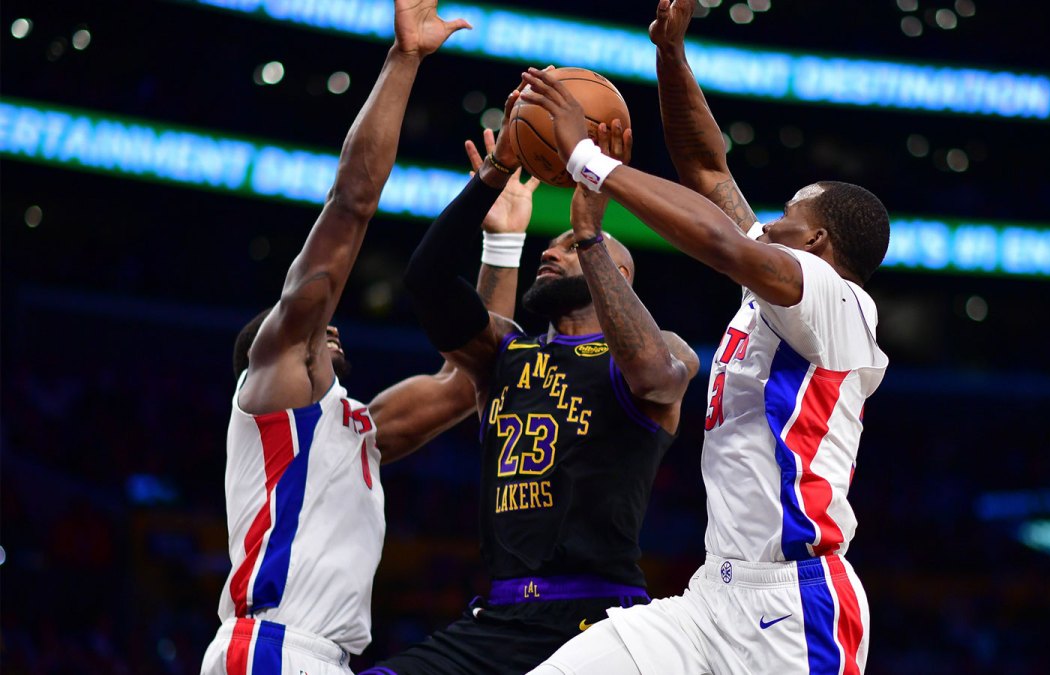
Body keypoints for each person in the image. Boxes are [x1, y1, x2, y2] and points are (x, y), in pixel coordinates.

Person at [519, 0, 892, 671]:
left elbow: (723, 241)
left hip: (795, 607)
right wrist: (670, 55)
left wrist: (584, 157)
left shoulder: (842, 305)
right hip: (709, 596)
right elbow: (707, 171)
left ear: (817, 240)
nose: (768, 223)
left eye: (786, 216)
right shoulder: (778, 290)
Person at [361, 90, 700, 675]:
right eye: (553, 245)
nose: (553, 249)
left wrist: (589, 232)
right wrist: (493, 176)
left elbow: (656, 377)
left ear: (616, 273)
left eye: (565, 247)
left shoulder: (660, 348)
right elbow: (427, 279)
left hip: (601, 621)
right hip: (497, 619)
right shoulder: (505, 354)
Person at [199, 3, 484, 673]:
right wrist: (404, 60)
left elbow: (473, 379)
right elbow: (351, 204)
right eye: (313, 334)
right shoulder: (272, 390)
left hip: (326, 656)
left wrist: (498, 228)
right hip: (271, 644)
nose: (331, 332)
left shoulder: (357, 428)